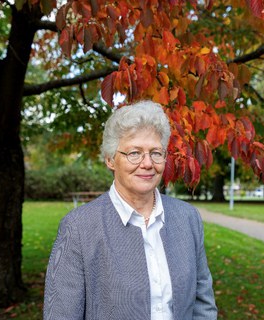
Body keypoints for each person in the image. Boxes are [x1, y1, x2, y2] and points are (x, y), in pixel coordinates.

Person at [43, 100, 217, 320]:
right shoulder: (78, 227)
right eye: (134, 153)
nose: (147, 163)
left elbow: (203, 305)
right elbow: (60, 315)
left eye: (156, 152)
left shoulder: (187, 218)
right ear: (110, 159)